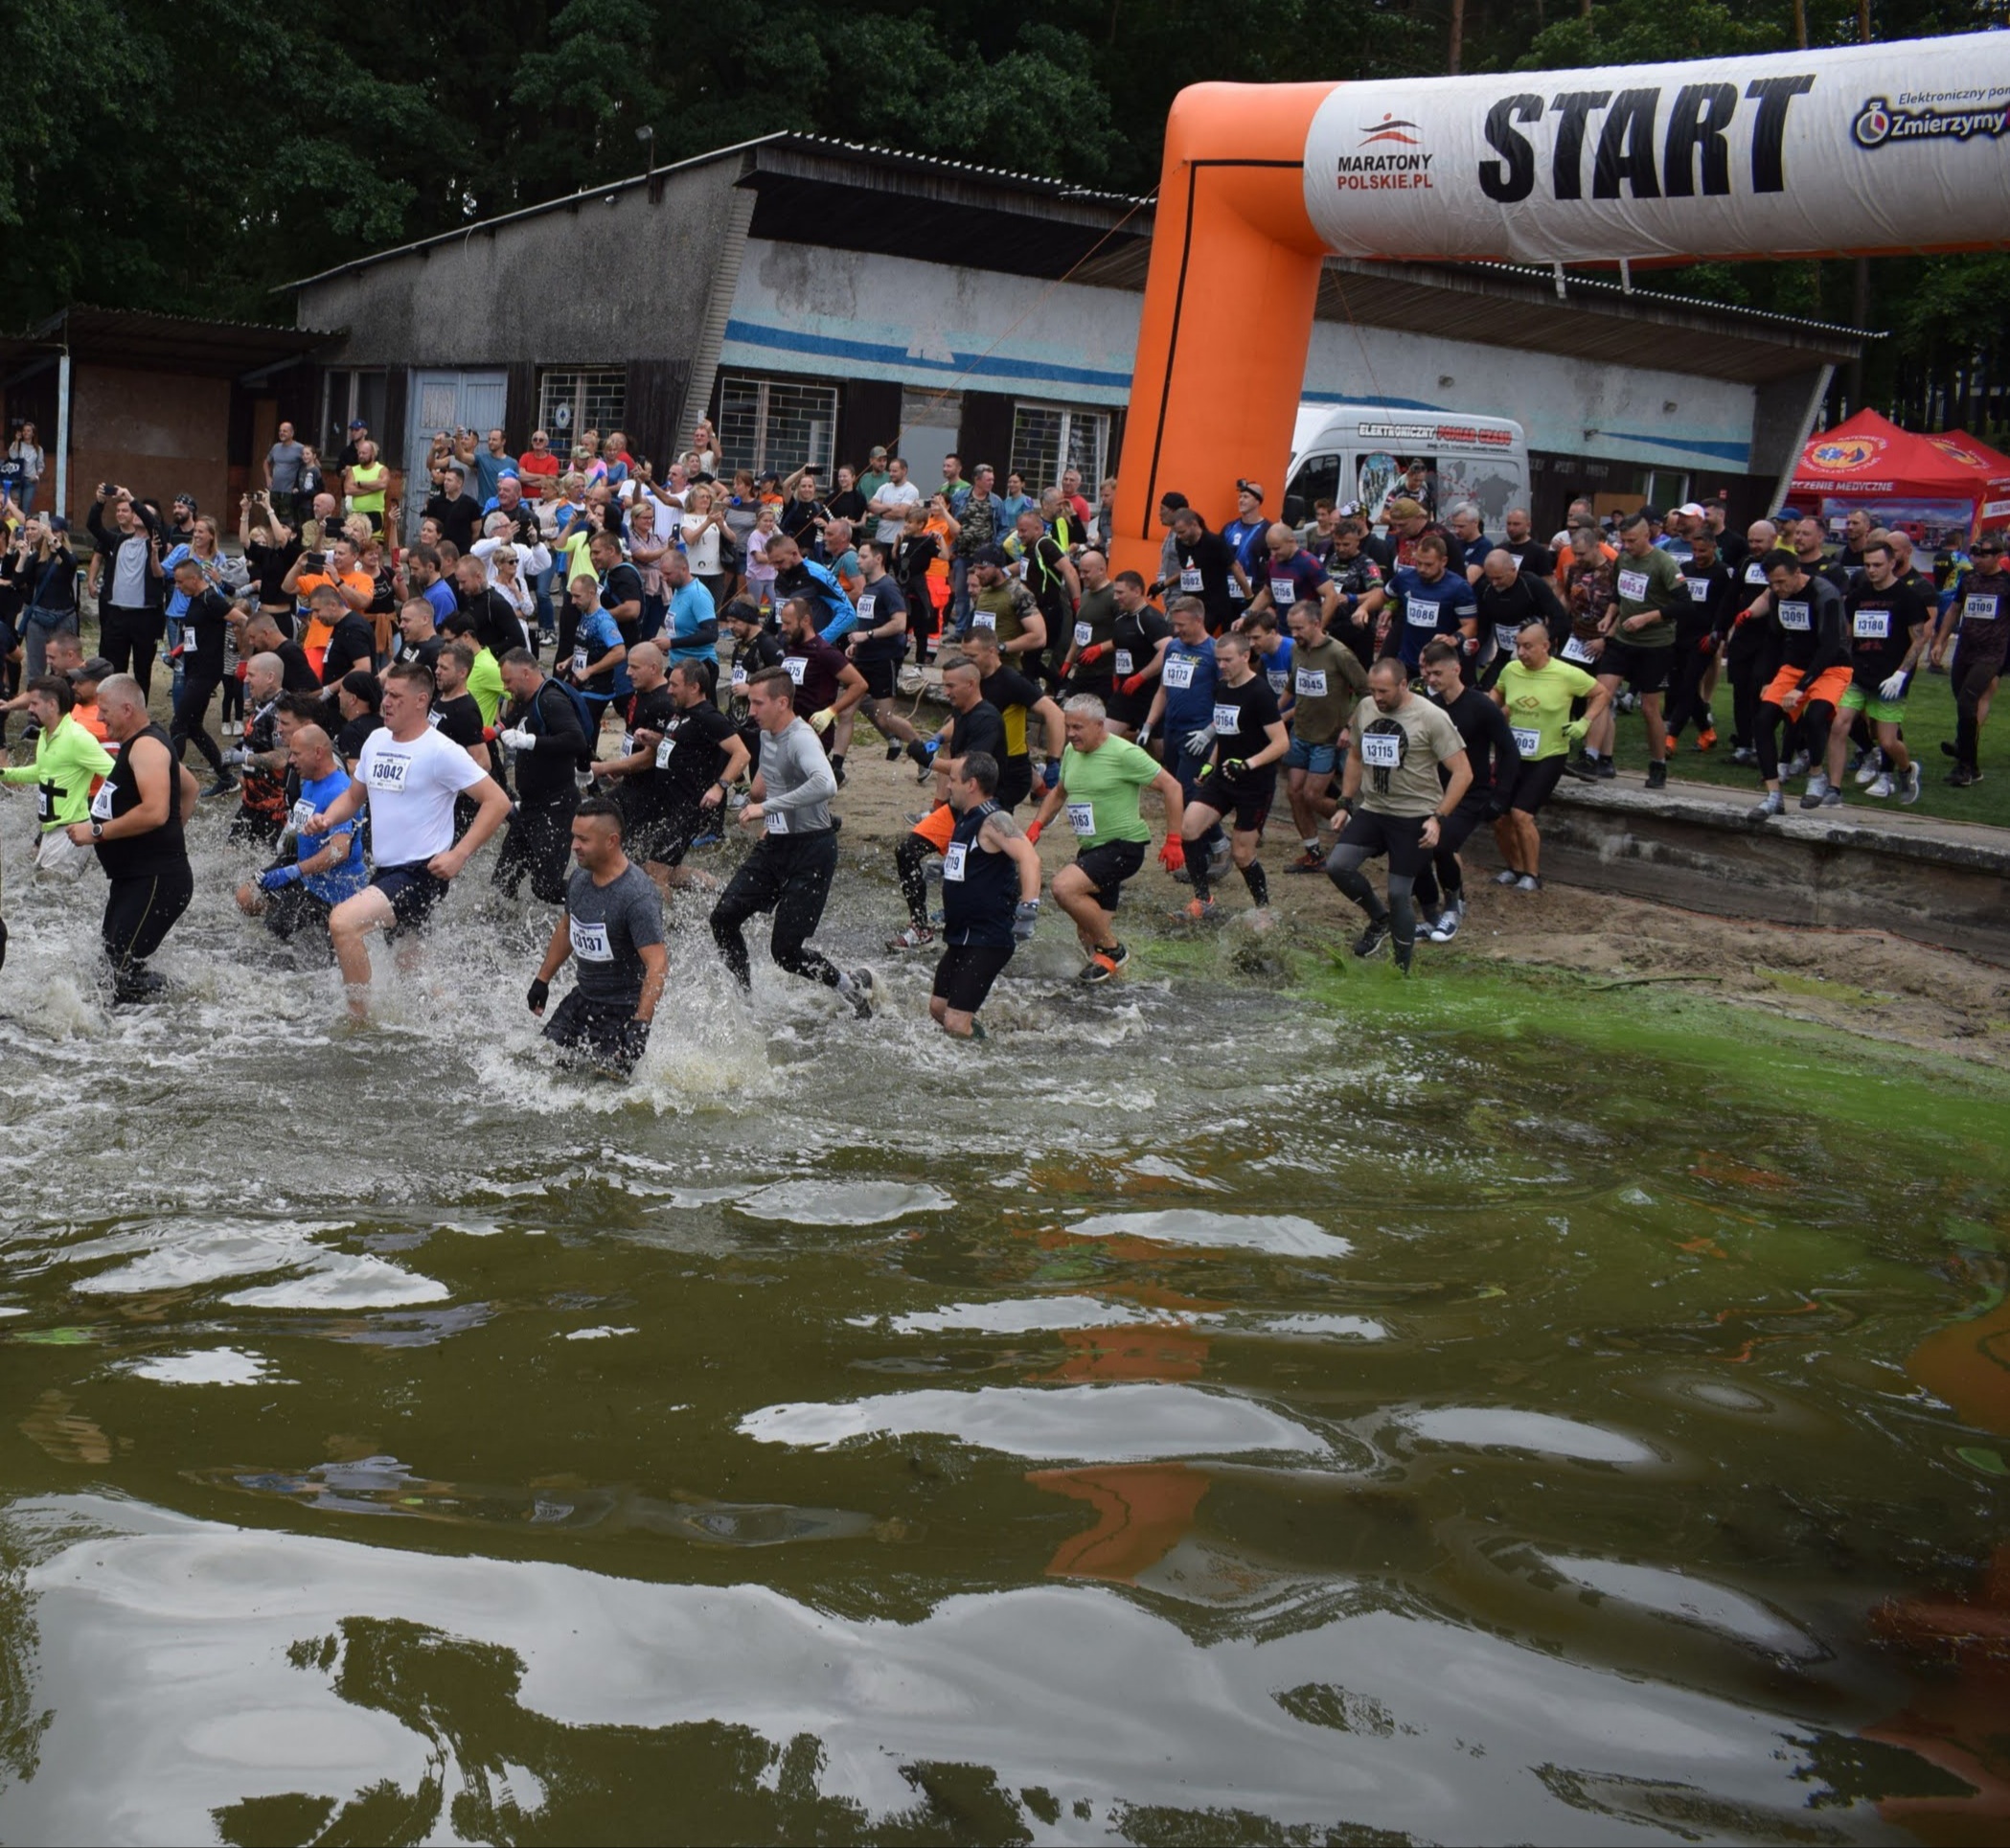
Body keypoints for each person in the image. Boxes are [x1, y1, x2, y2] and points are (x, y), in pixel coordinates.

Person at [301, 663, 514, 1016]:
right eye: (386, 694)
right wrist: (327, 818)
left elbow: (498, 801)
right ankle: (459, 1019)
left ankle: (359, 1020)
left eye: (395, 696)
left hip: (421, 872)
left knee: (343, 922)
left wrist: (460, 854)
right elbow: (354, 798)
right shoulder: (377, 740)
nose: (386, 702)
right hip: (385, 869)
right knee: (411, 967)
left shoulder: (441, 750)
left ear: (420, 701)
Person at [710, 667, 877, 1016]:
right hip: (776, 845)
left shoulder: (800, 737)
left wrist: (765, 807)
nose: (750, 710)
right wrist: (764, 802)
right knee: (723, 918)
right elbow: (769, 781)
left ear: (782, 702)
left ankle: (851, 989)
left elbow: (826, 784)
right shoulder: (768, 733)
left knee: (785, 953)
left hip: (812, 851)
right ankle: (746, 1002)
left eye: (757, 703)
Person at [1023, 694, 1186, 984]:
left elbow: (1173, 788)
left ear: (1100, 725)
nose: (1071, 734)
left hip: (1123, 846)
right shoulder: (1073, 752)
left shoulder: (1125, 753)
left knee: (1063, 888)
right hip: (1091, 848)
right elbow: (1060, 791)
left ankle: (1114, 950)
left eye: (1078, 728)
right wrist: (1037, 825)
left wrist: (1174, 840)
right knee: (1086, 932)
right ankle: (1116, 983)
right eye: (1068, 726)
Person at [1324, 657, 1473, 973]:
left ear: (1404, 685)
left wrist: (1438, 817)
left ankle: (1401, 968)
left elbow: (1463, 773)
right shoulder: (1366, 707)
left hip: (1414, 816)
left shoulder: (1432, 717)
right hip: (1374, 810)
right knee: (1337, 866)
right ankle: (1380, 921)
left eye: (1385, 691)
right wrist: (1345, 802)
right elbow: (1354, 756)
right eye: (1373, 690)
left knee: (1398, 892)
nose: (1377, 698)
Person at [65, 674, 199, 1003]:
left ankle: (186, 1006)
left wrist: (97, 832)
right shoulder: (141, 743)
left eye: (104, 710)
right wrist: (167, 836)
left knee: (119, 973)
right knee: (110, 967)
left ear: (127, 709)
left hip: (155, 880)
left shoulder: (148, 746)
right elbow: (190, 787)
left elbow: (155, 812)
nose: (98, 718)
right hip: (136, 877)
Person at [526, 797, 668, 1077]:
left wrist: (640, 1025)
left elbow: (658, 964)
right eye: (573, 837)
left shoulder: (637, 895)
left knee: (602, 1090)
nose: (573, 846)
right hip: (582, 1000)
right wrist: (542, 980)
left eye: (583, 839)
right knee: (538, 1069)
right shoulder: (580, 878)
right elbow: (567, 928)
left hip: (621, 1013)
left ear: (611, 841)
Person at [593, 651, 747, 890]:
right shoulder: (682, 712)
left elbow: (741, 753)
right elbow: (682, 746)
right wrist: (654, 739)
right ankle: (719, 889)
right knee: (659, 867)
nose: (669, 690)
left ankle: (663, 924)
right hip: (668, 802)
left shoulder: (709, 717)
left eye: (675, 685)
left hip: (690, 808)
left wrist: (720, 787)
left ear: (694, 687)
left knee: (655, 871)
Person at [1171, 629, 1290, 922]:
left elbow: (1281, 743)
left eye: (1227, 660)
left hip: (1254, 785)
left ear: (1245, 656)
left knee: (1242, 853)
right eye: (1218, 660)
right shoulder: (1222, 688)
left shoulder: (1260, 693)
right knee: (1189, 828)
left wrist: (1248, 764)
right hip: (1223, 778)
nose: (1221, 666)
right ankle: (1203, 899)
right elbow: (1225, 734)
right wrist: (1211, 764)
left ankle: (1264, 909)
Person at [929, 752, 1043, 1038]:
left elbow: (1030, 857)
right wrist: (942, 868)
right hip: (962, 934)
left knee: (954, 1024)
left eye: (953, 780)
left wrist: (1028, 906)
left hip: (988, 937)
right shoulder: (965, 817)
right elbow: (976, 862)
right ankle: (978, 1036)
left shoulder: (995, 819)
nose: (948, 787)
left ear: (972, 785)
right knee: (938, 1008)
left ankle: (981, 1063)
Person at [1412, 637, 1520, 938]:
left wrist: (1501, 798)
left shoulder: (1481, 706)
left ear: (1456, 669)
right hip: (1436, 791)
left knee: (1443, 845)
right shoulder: (1430, 707)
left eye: (1437, 674)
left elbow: (1508, 751)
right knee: (1417, 848)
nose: (1431, 679)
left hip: (1472, 793)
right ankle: (1431, 914)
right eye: (1428, 673)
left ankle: (1453, 908)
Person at [1490, 620, 1609, 890]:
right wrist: (1489, 711)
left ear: (1546, 646)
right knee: (1499, 817)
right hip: (1513, 754)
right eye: (1518, 646)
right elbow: (1498, 692)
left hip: (1548, 754)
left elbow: (1601, 693)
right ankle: (1514, 868)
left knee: (1521, 815)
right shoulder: (1511, 670)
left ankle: (1532, 875)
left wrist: (1585, 722)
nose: (1521, 652)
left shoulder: (1566, 673)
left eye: (1528, 647)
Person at [236, 724, 366, 944]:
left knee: (277, 945)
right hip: (309, 880)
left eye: (296, 754)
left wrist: (294, 871)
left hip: (334, 891)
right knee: (260, 917)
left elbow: (339, 850)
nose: (290, 761)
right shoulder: (309, 781)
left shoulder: (339, 790)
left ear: (318, 753)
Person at [1745, 547, 1850, 818]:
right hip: (1793, 666)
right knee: (1763, 719)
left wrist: (1801, 687)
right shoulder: (1779, 596)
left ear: (1797, 573)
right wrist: (1769, 679)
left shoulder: (1825, 595)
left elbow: (1829, 646)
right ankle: (1773, 795)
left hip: (1831, 666)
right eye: (1772, 583)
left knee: (1815, 717)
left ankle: (1816, 774)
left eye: (1781, 581)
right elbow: (1774, 638)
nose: (1777, 588)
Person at [1585, 512, 1684, 788]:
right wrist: (1611, 615)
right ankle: (1591, 757)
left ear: (1646, 535)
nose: (1627, 546)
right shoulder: (1623, 560)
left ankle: (1658, 764)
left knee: (1649, 709)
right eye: (1623, 540)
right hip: (1623, 640)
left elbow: (1684, 605)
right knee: (1600, 694)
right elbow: (1619, 593)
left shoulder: (1663, 563)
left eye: (1632, 541)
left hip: (1655, 644)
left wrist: (1647, 617)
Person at [1830, 535, 1928, 805]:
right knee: (1839, 725)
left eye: (1877, 565)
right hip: (1859, 673)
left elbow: (1919, 638)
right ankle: (1833, 788)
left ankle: (1907, 770)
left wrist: (1901, 674)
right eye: (1868, 565)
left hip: (1890, 677)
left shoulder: (1907, 598)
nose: (1871, 570)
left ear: (1892, 563)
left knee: (1887, 741)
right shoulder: (1858, 596)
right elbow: (1848, 635)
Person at [493, 648, 589, 902]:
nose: (506, 688)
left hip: (556, 808)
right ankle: (503, 937)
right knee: (502, 881)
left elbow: (576, 739)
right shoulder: (528, 698)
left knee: (546, 886)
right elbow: (510, 720)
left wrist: (531, 742)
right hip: (529, 808)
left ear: (525, 673)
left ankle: (598, 901)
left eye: (508, 681)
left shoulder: (550, 700)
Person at [1280, 601, 1369, 871]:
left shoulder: (1339, 654)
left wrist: (1350, 727)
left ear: (1317, 624)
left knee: (1312, 796)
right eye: (1291, 627)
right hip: (1301, 733)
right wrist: (1273, 714)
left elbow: (1367, 691)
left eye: (1299, 628)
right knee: (1294, 793)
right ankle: (1313, 853)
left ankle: (1360, 827)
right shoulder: (1297, 649)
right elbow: (1293, 685)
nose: (1294, 633)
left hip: (1329, 738)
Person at [3, 673, 114, 880]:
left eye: (34, 703)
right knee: (41, 892)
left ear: (52, 705)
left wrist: (105, 820)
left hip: (71, 833)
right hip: (51, 830)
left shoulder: (78, 738)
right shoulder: (46, 734)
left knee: (50, 899)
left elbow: (115, 774)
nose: (29, 709)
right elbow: (42, 772)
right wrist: (4, 773)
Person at [842, 539, 925, 757]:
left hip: (884, 659)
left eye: (863, 557)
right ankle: (837, 766)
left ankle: (924, 751)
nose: (858, 561)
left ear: (878, 559)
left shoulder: (888, 587)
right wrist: (857, 645)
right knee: (846, 711)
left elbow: (899, 624)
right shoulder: (869, 586)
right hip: (864, 658)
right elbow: (870, 620)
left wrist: (866, 635)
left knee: (884, 718)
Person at [164, 559, 238, 798]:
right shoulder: (196, 600)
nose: (177, 587)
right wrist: (178, 651)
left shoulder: (211, 599)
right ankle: (226, 778)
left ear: (194, 579)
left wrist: (243, 653)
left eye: (180, 582)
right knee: (193, 726)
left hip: (206, 673)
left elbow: (243, 620)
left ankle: (169, 784)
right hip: (193, 669)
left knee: (178, 724)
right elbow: (198, 632)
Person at [86, 487, 168, 697]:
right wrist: (100, 502)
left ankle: (139, 715)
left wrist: (131, 497)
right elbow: (93, 526)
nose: (139, 514)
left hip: (145, 617)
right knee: (113, 668)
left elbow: (153, 525)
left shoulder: (156, 542)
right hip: (117, 615)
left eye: (145, 512)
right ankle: (112, 708)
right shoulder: (119, 539)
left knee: (142, 670)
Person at [1662, 526, 1734, 752]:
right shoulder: (1686, 568)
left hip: (1704, 638)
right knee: (1680, 684)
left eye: (1703, 551)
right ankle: (1707, 731)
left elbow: (1727, 606)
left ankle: (1671, 737)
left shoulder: (1723, 572)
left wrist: (1717, 633)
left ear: (1714, 548)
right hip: (1680, 634)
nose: (1698, 555)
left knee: (1689, 684)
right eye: (1695, 550)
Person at [1946, 534, 2008, 788]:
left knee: (1968, 701)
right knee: (1963, 702)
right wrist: (1939, 641)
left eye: (1984, 554)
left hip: (1992, 653)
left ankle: (1965, 766)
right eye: (1975, 553)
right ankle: (1969, 760)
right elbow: (1954, 609)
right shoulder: (1968, 580)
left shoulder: (2006, 584)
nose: (1978, 558)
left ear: (1998, 556)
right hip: (1964, 651)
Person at [1384, 534, 1479, 677]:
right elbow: (1383, 595)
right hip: (1408, 660)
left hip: (1440, 664)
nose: (1422, 569)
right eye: (1419, 563)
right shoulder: (1405, 578)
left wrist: (1453, 639)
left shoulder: (1459, 587)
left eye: (1428, 564)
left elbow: (1471, 626)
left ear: (1443, 561)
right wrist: (1367, 607)